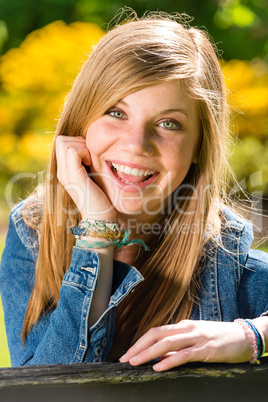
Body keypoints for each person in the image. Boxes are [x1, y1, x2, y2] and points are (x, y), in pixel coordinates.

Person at [0, 10, 268, 370]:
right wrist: (98, 229)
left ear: (198, 148)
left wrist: (252, 335)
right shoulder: (32, 233)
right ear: (81, 121)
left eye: (169, 123)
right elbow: (47, 391)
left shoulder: (224, 257)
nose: (137, 144)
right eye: (116, 112)